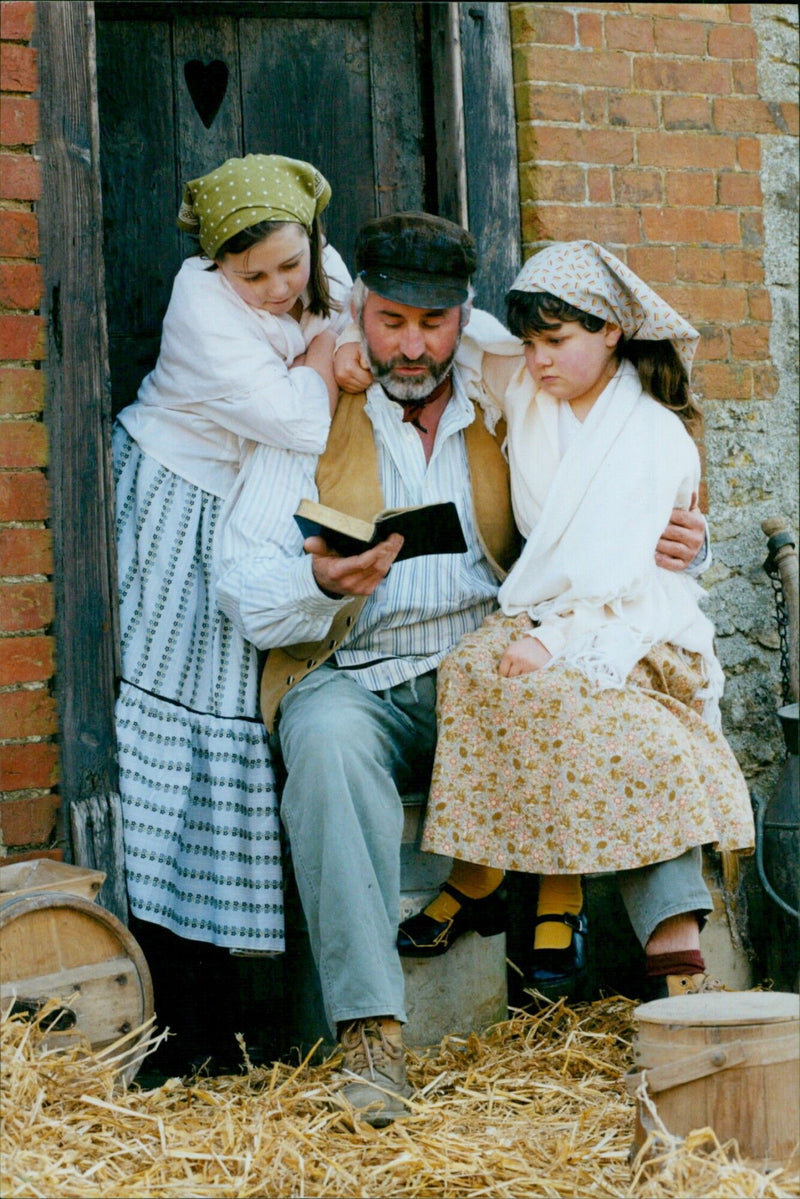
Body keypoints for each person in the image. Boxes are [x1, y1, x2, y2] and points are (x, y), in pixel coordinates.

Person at [215, 214, 707, 1124]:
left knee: (615, 696)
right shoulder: (305, 409)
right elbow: (242, 586)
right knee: (320, 749)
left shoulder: (503, 383)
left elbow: (622, 452)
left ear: (463, 319)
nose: (411, 345)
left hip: (478, 671)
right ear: (359, 307)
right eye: (391, 320)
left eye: (432, 324)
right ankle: (370, 1038)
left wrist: (689, 540)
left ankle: (685, 983)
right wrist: (321, 579)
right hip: (350, 672)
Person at [400, 240, 754, 1006]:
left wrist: (550, 640)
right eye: (531, 343)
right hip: (551, 607)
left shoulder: (652, 434)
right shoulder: (528, 393)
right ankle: (485, 872)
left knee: (594, 715)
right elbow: (465, 337)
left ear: (611, 333)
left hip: (635, 620)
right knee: (470, 668)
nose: (539, 360)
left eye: (557, 342)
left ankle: (655, 953)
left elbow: (623, 572)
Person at [113, 153, 351, 960]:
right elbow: (301, 421)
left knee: (224, 713)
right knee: (165, 706)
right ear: (221, 266)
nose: (282, 286)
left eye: (292, 263)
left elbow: (354, 318)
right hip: (174, 499)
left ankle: (207, 956)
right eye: (256, 276)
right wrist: (320, 358)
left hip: (239, 509)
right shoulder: (200, 302)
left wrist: (323, 344)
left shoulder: (321, 268)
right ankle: (146, 938)